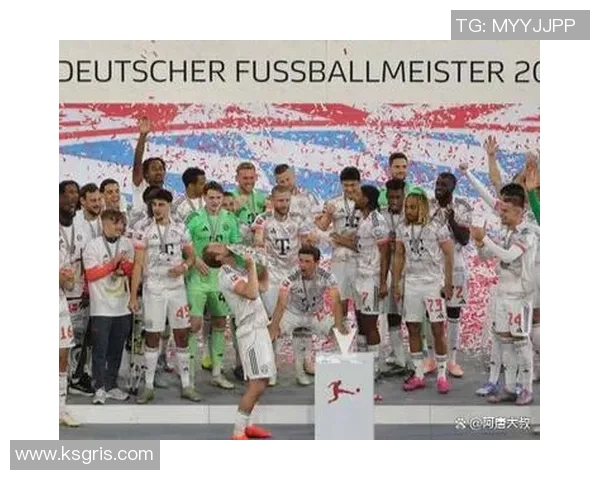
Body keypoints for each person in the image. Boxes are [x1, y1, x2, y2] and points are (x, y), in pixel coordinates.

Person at [128, 189, 201, 404]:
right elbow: (138, 264)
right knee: (152, 335)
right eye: (154, 205)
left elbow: (192, 256)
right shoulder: (142, 229)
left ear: (169, 205)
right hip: (154, 288)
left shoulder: (180, 228)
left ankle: (187, 385)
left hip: (176, 288)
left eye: (161, 204)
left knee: (181, 334)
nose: (157, 209)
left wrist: (184, 267)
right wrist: (133, 296)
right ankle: (148, 386)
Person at [470, 183, 537, 405]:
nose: (501, 214)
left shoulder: (528, 233)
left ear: (519, 211)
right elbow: (485, 257)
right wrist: (479, 243)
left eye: (506, 211)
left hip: (520, 296)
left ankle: (526, 388)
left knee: (521, 342)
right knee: (505, 342)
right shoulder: (504, 232)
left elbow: (508, 256)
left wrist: (486, 239)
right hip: (502, 294)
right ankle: (509, 388)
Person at [202, 243, 275, 440]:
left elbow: (262, 286)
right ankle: (238, 431)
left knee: (262, 380)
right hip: (250, 331)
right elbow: (251, 293)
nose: (222, 243)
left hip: (259, 327)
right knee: (257, 384)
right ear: (218, 257)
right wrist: (251, 265)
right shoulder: (226, 274)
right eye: (217, 246)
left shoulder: (237, 270)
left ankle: (249, 425)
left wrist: (263, 263)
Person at [392, 188, 454, 394]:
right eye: (406, 207)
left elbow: (449, 254)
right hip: (412, 284)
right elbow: (399, 255)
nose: (408, 211)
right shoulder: (402, 228)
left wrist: (448, 283)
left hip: (433, 284)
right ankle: (418, 374)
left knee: (437, 328)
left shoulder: (437, 227)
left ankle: (442, 375)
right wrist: (397, 284)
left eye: (412, 207)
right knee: (413, 327)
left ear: (422, 207)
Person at [252, 185, 314, 385]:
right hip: (272, 277)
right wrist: (260, 244)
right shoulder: (262, 219)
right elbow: (258, 240)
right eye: (280, 200)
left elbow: (306, 247)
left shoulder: (298, 220)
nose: (284, 204)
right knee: (272, 323)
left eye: (287, 200)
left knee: (301, 324)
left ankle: (300, 370)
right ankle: (271, 369)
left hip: (294, 276)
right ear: (272, 200)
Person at [186, 181, 240, 389]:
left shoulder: (230, 219)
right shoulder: (194, 219)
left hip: (220, 280)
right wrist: (195, 259)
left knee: (219, 322)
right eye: (211, 198)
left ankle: (217, 373)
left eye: (218, 197)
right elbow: (184, 245)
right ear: (204, 198)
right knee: (194, 324)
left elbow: (235, 247)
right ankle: (189, 376)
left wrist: (228, 261)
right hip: (198, 279)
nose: (215, 201)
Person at [268, 245, 348, 385]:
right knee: (271, 331)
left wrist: (338, 324)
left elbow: (336, 301)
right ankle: (271, 371)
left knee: (340, 330)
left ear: (317, 262)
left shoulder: (327, 276)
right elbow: (281, 302)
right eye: (300, 261)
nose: (302, 265)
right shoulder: (290, 277)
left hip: (314, 315)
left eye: (307, 261)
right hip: (292, 314)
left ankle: (338, 371)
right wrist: (274, 327)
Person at [83, 210, 134, 404]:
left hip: (122, 306)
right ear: (104, 224)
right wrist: (113, 264)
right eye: (115, 223)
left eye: (121, 223)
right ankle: (99, 388)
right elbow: (91, 274)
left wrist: (123, 268)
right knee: (100, 349)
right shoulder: (93, 246)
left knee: (116, 349)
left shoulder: (127, 243)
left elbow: (131, 268)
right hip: (101, 307)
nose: (119, 227)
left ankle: (111, 385)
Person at [429, 173, 472, 378]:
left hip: (456, 268)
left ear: (453, 187)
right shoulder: (428, 205)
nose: (439, 187)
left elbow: (464, 239)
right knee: (431, 314)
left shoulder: (462, 207)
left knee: (453, 314)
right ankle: (432, 358)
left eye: (444, 184)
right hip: (431, 267)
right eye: (437, 183)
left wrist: (451, 219)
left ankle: (452, 361)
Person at [315, 167, 362, 342]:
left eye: (353, 185)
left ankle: (362, 339)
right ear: (341, 184)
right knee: (340, 299)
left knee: (360, 300)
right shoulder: (334, 202)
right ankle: (341, 339)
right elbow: (322, 227)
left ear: (359, 183)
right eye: (346, 185)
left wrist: (341, 238)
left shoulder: (365, 202)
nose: (349, 189)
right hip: (340, 258)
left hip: (361, 258)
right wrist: (328, 214)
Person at [59, 181, 95, 397]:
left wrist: (87, 288)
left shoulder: (83, 227)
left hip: (78, 292)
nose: (73, 197)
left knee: (78, 338)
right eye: (69, 193)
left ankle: (76, 377)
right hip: (58, 292)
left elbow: (89, 259)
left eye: (76, 193)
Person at [352, 185, 390, 376]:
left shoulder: (377, 221)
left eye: (358, 194)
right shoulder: (362, 219)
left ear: (366, 199)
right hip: (360, 276)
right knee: (360, 321)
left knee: (370, 323)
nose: (354, 196)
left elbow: (385, 252)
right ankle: (362, 362)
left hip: (372, 279)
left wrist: (382, 283)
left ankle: (374, 367)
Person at [379, 179, 411, 373]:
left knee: (414, 317)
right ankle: (399, 358)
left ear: (404, 195)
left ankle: (423, 358)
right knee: (393, 313)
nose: (394, 201)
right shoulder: (381, 215)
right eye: (391, 197)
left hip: (411, 270)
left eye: (398, 197)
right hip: (391, 267)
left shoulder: (412, 214)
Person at [59, 232, 79, 427]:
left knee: (62, 357)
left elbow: (69, 284)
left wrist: (69, 279)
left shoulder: (60, 239)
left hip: (59, 304)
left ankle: (60, 409)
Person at [132, 117, 166, 211]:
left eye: (161, 168)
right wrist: (143, 135)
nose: (158, 171)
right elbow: (137, 163)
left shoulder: (170, 192)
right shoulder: (140, 186)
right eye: (154, 169)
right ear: (146, 173)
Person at [232, 162, 267, 244]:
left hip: (256, 244)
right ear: (237, 178)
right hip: (237, 245)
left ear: (256, 177)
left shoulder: (261, 197)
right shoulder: (229, 198)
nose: (249, 181)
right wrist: (233, 208)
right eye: (245, 178)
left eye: (251, 178)